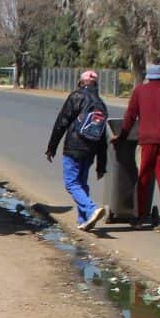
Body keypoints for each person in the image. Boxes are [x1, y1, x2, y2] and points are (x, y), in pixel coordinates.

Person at [116, 63, 160, 234]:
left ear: (148, 76)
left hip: (146, 141)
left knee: (144, 178)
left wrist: (122, 136)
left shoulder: (139, 91)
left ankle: (140, 217)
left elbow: (130, 116)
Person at [45, 70, 109, 231]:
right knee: (82, 183)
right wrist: (101, 165)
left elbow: (62, 122)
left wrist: (51, 147)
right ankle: (84, 219)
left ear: (80, 83)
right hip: (90, 149)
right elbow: (102, 138)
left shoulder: (76, 96)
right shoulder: (101, 103)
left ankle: (91, 209)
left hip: (73, 147)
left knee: (71, 183)